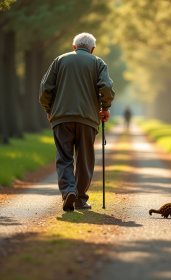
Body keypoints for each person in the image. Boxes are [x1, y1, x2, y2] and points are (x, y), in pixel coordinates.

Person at [39, 33, 115, 212]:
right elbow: (106, 86)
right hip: (88, 119)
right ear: (92, 49)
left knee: (64, 157)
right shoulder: (98, 62)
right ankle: (80, 199)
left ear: (74, 47)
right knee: (84, 159)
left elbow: (45, 88)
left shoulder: (59, 60)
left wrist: (49, 109)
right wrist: (105, 108)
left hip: (62, 117)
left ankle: (68, 191)